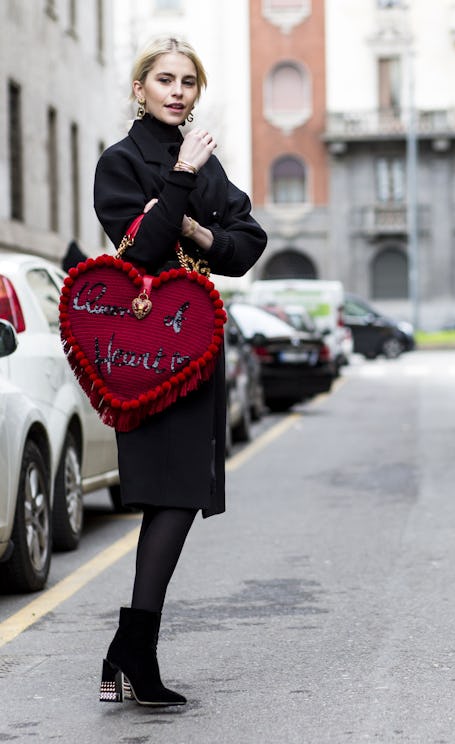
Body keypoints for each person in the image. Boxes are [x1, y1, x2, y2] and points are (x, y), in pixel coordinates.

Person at [93, 37, 267, 707]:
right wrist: (183, 184)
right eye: (164, 80)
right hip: (142, 351)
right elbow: (139, 247)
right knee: (168, 491)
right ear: (139, 90)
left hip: (194, 345)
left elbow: (246, 243)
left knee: (183, 491)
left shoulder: (202, 160)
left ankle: (129, 647)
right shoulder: (122, 162)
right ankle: (134, 648)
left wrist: (202, 233)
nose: (177, 91)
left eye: (188, 82)